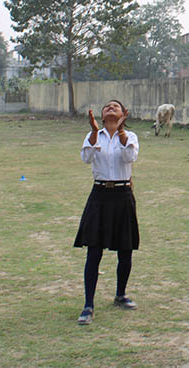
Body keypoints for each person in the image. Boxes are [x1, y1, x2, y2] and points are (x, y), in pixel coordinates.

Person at [74, 100, 140, 325]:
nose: (111, 107)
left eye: (116, 106)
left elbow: (129, 157)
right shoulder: (94, 135)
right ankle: (88, 305)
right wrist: (93, 133)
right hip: (100, 195)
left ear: (123, 114)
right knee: (94, 250)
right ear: (101, 116)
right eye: (107, 106)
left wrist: (121, 131)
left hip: (122, 195)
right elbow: (85, 158)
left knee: (125, 248)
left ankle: (120, 294)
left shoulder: (130, 136)